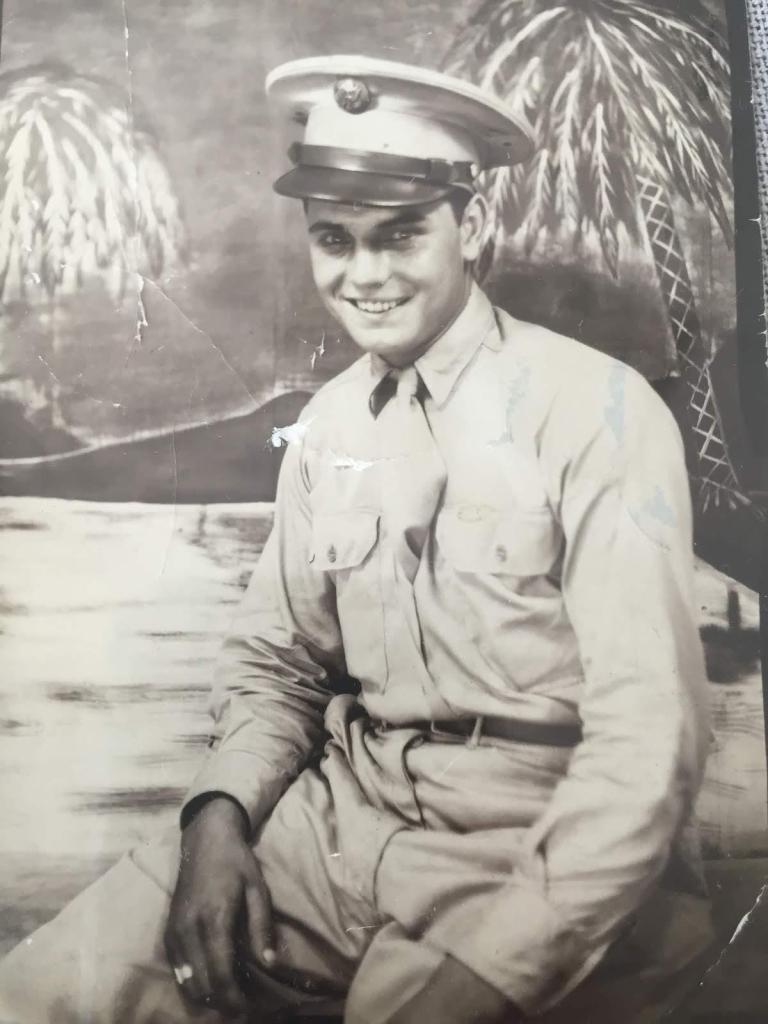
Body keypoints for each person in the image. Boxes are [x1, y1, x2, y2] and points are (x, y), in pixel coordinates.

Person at [0, 55, 715, 1024]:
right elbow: (280, 659)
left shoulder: (598, 414)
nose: (364, 274)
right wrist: (219, 816)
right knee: (45, 992)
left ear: (477, 227)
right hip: (347, 817)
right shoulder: (331, 425)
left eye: (401, 234)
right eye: (335, 238)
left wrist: (499, 967)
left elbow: (646, 750)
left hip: (540, 837)